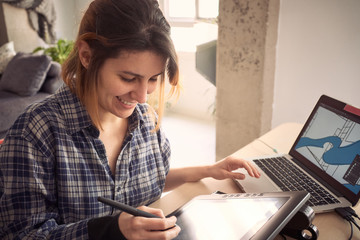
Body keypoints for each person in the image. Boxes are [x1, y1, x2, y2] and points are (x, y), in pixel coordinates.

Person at [0, 0, 260, 239]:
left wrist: (207, 170)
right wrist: (110, 230)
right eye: (128, 78)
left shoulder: (146, 120)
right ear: (87, 56)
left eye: (153, 79)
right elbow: (22, 235)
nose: (142, 97)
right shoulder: (35, 133)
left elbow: (146, 179)